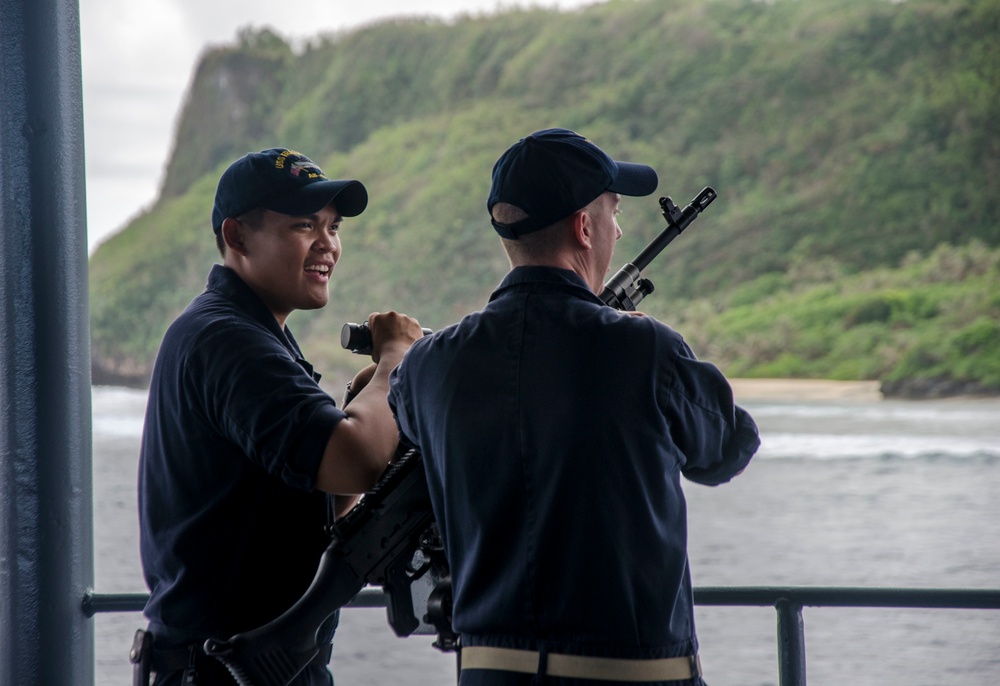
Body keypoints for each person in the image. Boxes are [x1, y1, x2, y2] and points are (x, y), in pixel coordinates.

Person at [387, 129, 760, 685]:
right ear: (584, 228)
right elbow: (729, 449)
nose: (620, 227)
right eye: (613, 211)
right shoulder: (645, 350)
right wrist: (646, 344)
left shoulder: (428, 366)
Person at [136, 147, 424, 686]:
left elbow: (329, 495)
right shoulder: (228, 340)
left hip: (257, 666)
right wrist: (396, 357)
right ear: (238, 237)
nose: (328, 245)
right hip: (223, 671)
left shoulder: (255, 335)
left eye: (333, 227)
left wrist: (369, 403)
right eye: (303, 225)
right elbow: (354, 462)